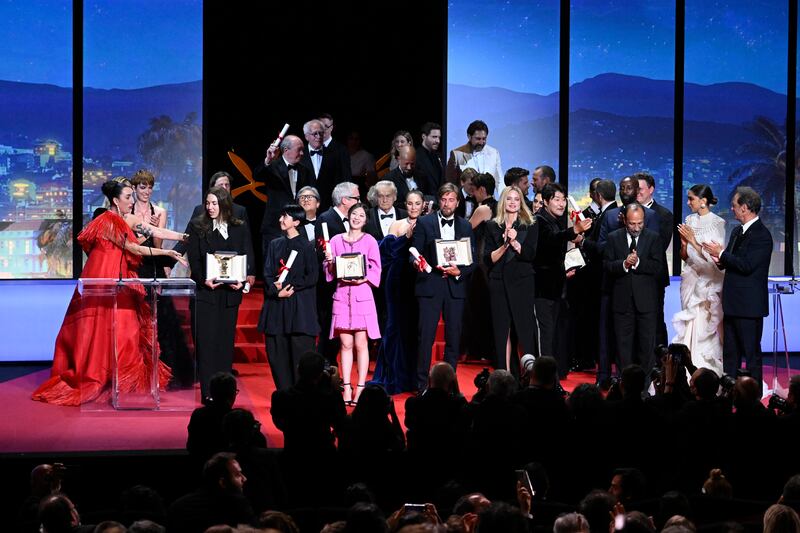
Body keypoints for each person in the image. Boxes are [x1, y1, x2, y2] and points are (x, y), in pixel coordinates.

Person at [32, 180, 187, 406]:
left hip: (120, 278)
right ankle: (98, 374)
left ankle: (118, 377)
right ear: (115, 200)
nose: (132, 201)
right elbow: (133, 248)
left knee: (126, 329)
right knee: (98, 327)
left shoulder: (130, 219)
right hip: (103, 276)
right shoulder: (106, 221)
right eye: (127, 197)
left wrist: (182, 238)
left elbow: (155, 230)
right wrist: (167, 253)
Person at [187, 186, 255, 400]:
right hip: (206, 294)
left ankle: (225, 394)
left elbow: (246, 254)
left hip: (230, 295)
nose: (210, 207)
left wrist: (242, 280)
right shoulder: (199, 226)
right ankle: (208, 394)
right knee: (207, 344)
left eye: (214, 203)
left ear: (224, 204)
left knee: (225, 345)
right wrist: (203, 279)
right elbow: (195, 260)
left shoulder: (239, 227)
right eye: (208, 203)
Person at [703, 186, 772, 393]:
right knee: (730, 353)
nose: (732, 209)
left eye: (734, 206)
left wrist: (722, 253)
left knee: (751, 354)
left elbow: (747, 265)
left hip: (749, 307)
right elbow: (732, 262)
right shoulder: (736, 231)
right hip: (732, 303)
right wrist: (719, 259)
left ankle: (754, 396)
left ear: (745, 208)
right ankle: (729, 392)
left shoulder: (761, 235)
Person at [412, 183, 476, 389]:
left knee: (453, 338)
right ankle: (422, 386)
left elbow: (471, 259)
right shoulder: (424, 222)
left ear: (458, 203)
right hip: (430, 286)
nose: (447, 203)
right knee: (425, 338)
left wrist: (460, 272)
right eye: (443, 199)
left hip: (455, 287)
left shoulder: (465, 226)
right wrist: (416, 262)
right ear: (438, 201)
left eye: (451, 200)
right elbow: (414, 252)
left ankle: (448, 386)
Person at [323, 202, 382, 405]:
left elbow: (376, 269)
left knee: (361, 344)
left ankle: (361, 388)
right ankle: (346, 387)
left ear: (366, 220)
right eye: (354, 214)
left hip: (362, 295)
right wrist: (329, 262)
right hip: (342, 296)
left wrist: (363, 278)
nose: (357, 218)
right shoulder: (336, 240)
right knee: (345, 344)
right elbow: (329, 272)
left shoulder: (370, 241)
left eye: (361, 216)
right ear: (348, 216)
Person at [534, 183, 592, 377]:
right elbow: (549, 241)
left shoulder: (555, 220)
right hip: (542, 289)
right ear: (546, 201)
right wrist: (573, 230)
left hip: (556, 287)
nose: (561, 203)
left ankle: (552, 378)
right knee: (546, 336)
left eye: (563, 199)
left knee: (554, 335)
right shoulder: (539, 220)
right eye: (556, 199)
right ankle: (544, 379)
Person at [259, 204, 319, 391]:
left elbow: (312, 276)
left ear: (296, 221)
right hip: (277, 308)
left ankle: (301, 395)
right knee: (277, 355)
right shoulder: (275, 244)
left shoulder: (307, 246)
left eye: (285, 217)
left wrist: (290, 287)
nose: (280, 220)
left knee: (300, 356)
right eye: (281, 216)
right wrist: (276, 291)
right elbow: (268, 273)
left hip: (299, 308)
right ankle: (284, 393)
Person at [371, 190, 425, 394]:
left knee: (412, 328)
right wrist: (405, 237)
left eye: (417, 203)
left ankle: (411, 378)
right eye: (410, 203)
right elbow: (385, 251)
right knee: (394, 325)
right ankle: (391, 374)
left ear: (422, 205)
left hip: (418, 280)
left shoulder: (428, 223)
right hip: (397, 278)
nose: (413, 207)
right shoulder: (397, 224)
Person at [603, 203, 664, 378]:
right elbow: (607, 265)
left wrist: (637, 263)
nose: (636, 228)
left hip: (646, 303)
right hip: (622, 304)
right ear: (624, 220)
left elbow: (658, 267)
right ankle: (624, 387)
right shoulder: (613, 238)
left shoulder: (653, 238)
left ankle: (643, 390)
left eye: (640, 223)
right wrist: (624, 264)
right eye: (632, 224)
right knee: (623, 349)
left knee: (646, 348)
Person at [671, 184, 725, 374]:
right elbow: (685, 257)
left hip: (707, 283)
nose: (688, 203)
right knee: (688, 324)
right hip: (690, 278)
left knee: (702, 323)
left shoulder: (718, 223)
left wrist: (693, 240)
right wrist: (684, 245)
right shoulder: (689, 220)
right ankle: (684, 370)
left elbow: (716, 261)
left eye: (691, 199)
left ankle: (703, 372)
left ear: (703, 201)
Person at [314, 181, 361, 367]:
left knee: (339, 327)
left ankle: (331, 364)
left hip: (348, 283)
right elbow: (323, 253)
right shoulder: (326, 218)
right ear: (344, 200)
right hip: (330, 284)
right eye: (356, 198)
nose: (359, 201)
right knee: (328, 327)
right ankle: (325, 365)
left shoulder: (354, 219)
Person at [258, 135, 313, 253]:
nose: (302, 153)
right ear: (286, 150)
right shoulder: (272, 167)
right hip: (274, 228)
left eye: (303, 149)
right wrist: (268, 160)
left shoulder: (305, 171)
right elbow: (257, 176)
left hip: (297, 227)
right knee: (273, 266)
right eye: (299, 150)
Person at [130, 169, 168, 277]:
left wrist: (156, 229)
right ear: (134, 188)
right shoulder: (127, 213)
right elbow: (130, 245)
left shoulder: (160, 212)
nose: (147, 192)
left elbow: (158, 245)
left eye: (150, 188)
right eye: (143, 187)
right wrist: (151, 229)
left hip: (154, 265)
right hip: (133, 266)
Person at [446, 120, 503, 190]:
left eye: (484, 139)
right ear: (469, 136)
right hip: (465, 200)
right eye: (478, 139)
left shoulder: (494, 153)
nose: (481, 142)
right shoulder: (457, 154)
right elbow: (450, 184)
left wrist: (502, 199)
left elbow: (499, 181)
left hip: (488, 199)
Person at [415, 122, 445, 194]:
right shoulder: (416, 157)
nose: (438, 141)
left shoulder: (439, 156)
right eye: (434, 137)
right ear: (424, 136)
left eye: (439, 137)